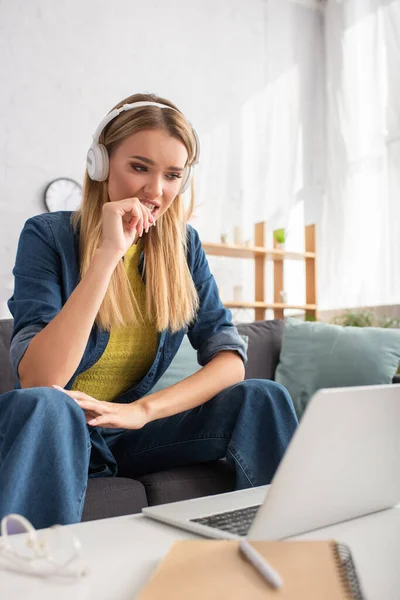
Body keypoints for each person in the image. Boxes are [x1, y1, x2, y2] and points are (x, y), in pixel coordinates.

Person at [0, 93, 298, 530]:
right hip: (59, 430)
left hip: (128, 432)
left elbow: (230, 360)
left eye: (172, 175)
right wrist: (106, 255)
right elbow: (42, 379)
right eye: (139, 167)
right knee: (48, 405)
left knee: (264, 397)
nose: (156, 191)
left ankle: (289, 546)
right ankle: (31, 577)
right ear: (101, 164)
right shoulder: (47, 236)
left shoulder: (184, 247)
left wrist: (143, 411)